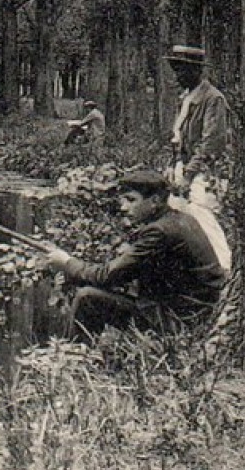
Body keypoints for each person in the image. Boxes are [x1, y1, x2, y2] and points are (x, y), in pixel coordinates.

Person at [41, 170, 228, 336]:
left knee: (87, 298)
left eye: (131, 200)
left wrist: (66, 262)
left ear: (154, 201)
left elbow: (107, 275)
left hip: (181, 321)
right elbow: (125, 272)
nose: (123, 207)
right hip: (197, 312)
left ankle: (72, 358)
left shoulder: (159, 232)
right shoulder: (180, 219)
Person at [165, 45, 228, 205]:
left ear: (196, 71)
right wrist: (172, 165)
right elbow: (178, 137)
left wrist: (189, 176)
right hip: (184, 169)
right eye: (176, 70)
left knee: (203, 219)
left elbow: (211, 143)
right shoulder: (185, 98)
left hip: (203, 174)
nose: (178, 76)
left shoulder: (213, 99)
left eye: (183, 71)